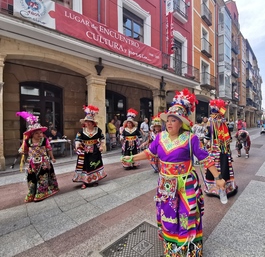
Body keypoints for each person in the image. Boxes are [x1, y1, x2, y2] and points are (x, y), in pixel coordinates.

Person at [121, 88, 225, 256]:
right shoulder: (160, 137)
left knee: (187, 216)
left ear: (182, 123)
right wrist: (132, 158)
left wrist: (218, 177)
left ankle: (188, 249)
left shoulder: (191, 139)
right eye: (168, 120)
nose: (169, 123)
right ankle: (172, 249)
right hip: (166, 185)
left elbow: (205, 159)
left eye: (174, 120)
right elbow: (149, 153)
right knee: (169, 216)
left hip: (186, 185)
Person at [16, 111, 59, 202]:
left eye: (40, 133)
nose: (40, 135)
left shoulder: (44, 140)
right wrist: (22, 152)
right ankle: (32, 193)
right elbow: (23, 150)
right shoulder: (27, 141)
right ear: (32, 134)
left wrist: (52, 157)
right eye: (37, 133)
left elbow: (49, 149)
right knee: (31, 178)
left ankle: (42, 192)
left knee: (42, 177)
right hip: (31, 162)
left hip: (43, 161)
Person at [203, 99, 237, 199]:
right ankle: (226, 187)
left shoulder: (211, 121)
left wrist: (205, 141)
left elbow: (208, 135)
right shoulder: (223, 121)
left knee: (214, 165)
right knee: (223, 165)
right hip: (223, 148)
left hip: (215, 148)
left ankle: (215, 188)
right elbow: (228, 135)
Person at [72, 105, 107, 189]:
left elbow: (102, 138)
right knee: (85, 165)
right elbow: (77, 140)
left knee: (94, 164)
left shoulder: (98, 130)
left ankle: (94, 180)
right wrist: (77, 146)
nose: (87, 123)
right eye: (86, 122)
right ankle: (85, 181)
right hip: (85, 150)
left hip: (95, 149)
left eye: (89, 122)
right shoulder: (81, 131)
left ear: (93, 123)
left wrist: (101, 146)